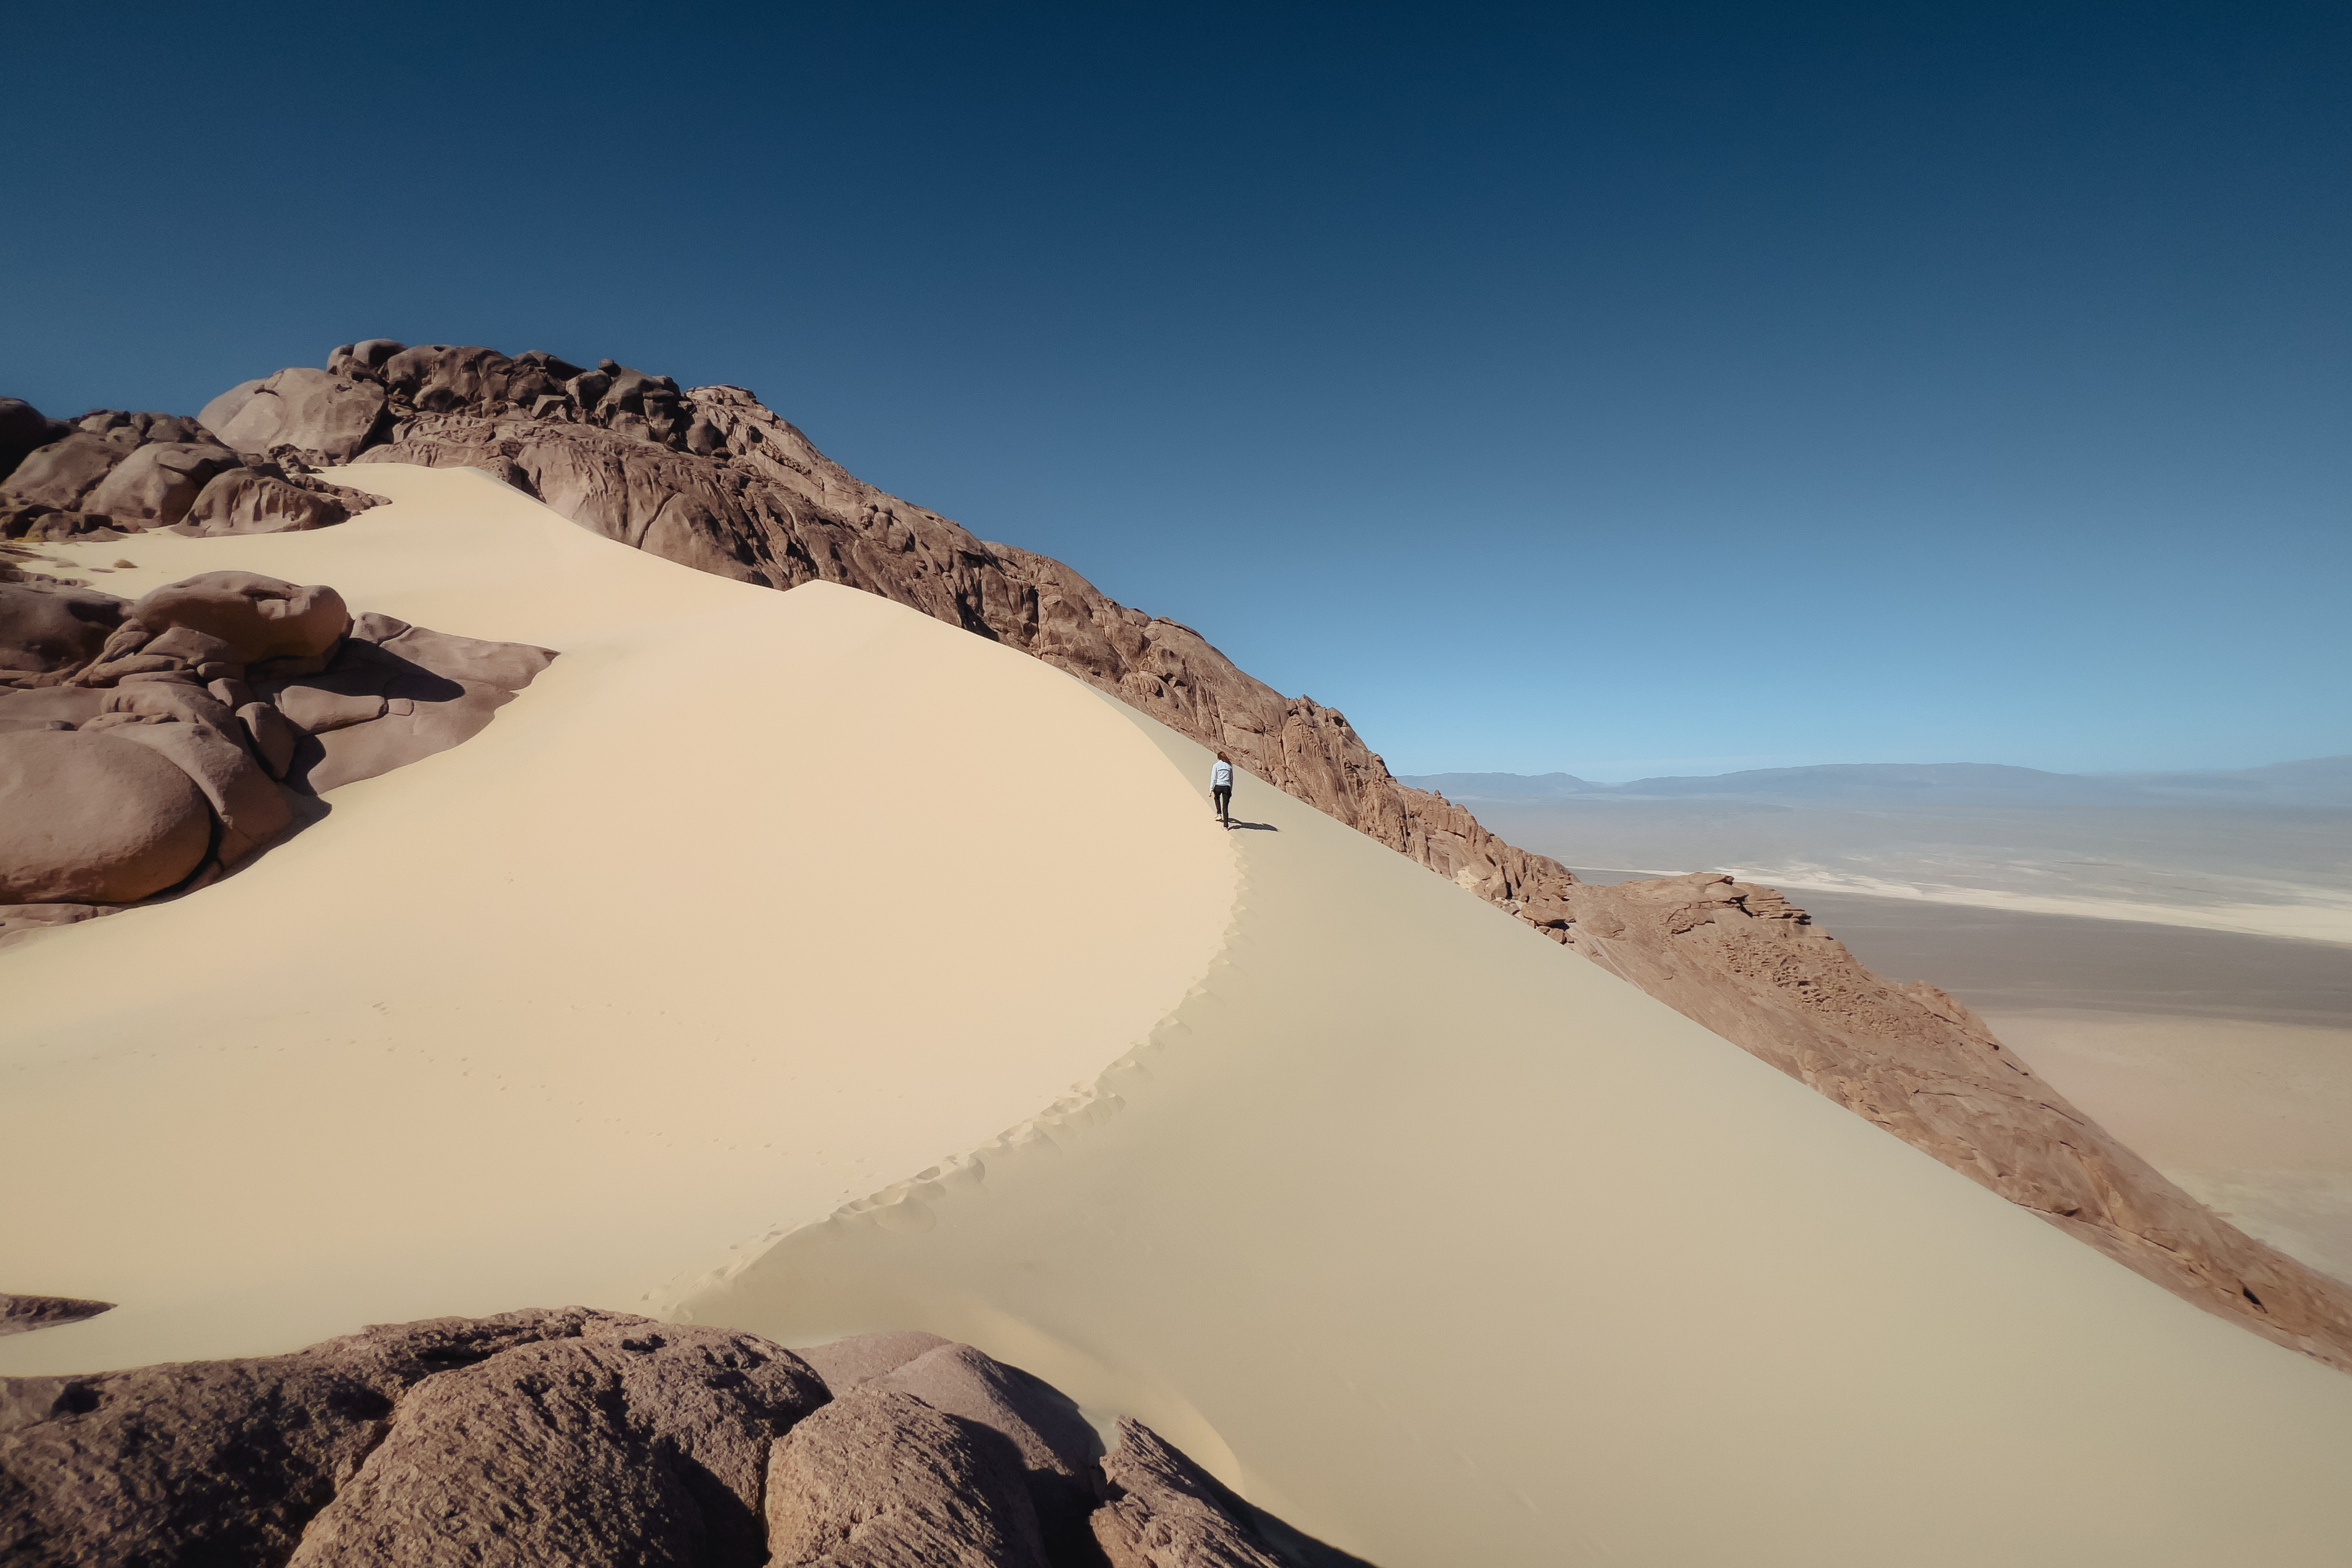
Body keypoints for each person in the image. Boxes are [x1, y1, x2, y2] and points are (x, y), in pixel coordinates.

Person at [1210, 751, 1234, 828]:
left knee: (1216, 798)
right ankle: (1226, 826)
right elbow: (1231, 779)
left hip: (1218, 786)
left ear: (1218, 757)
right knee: (1225, 807)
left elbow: (1214, 778)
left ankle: (1219, 814)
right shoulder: (1229, 766)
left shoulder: (1216, 765)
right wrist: (1230, 789)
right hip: (1227, 787)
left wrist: (1211, 789)